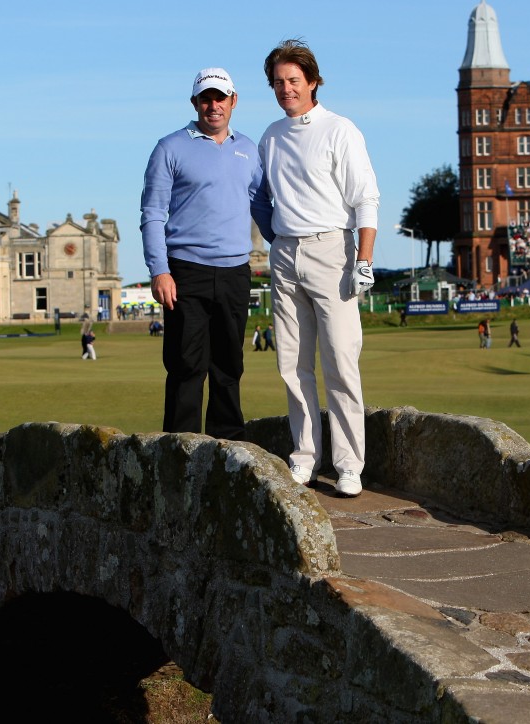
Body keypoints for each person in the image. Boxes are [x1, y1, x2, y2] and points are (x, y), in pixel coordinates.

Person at [253, 39, 379, 497]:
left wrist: (363, 259)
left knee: (341, 361)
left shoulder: (340, 130)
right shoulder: (270, 137)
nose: (286, 89)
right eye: (278, 82)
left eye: (293, 80)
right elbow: (265, 201)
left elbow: (365, 198)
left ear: (312, 81)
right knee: (292, 362)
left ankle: (349, 465)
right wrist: (279, 243)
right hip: (285, 253)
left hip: (334, 249)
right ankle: (305, 457)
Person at [140, 67, 263, 440]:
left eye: (220, 98)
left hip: (234, 271)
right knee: (186, 366)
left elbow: (261, 206)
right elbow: (152, 213)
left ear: (233, 101)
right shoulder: (170, 147)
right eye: (206, 98)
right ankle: (180, 451)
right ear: (195, 103)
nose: (214, 106)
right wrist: (159, 270)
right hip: (185, 271)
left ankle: (228, 450)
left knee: (229, 365)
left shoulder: (248, 148)